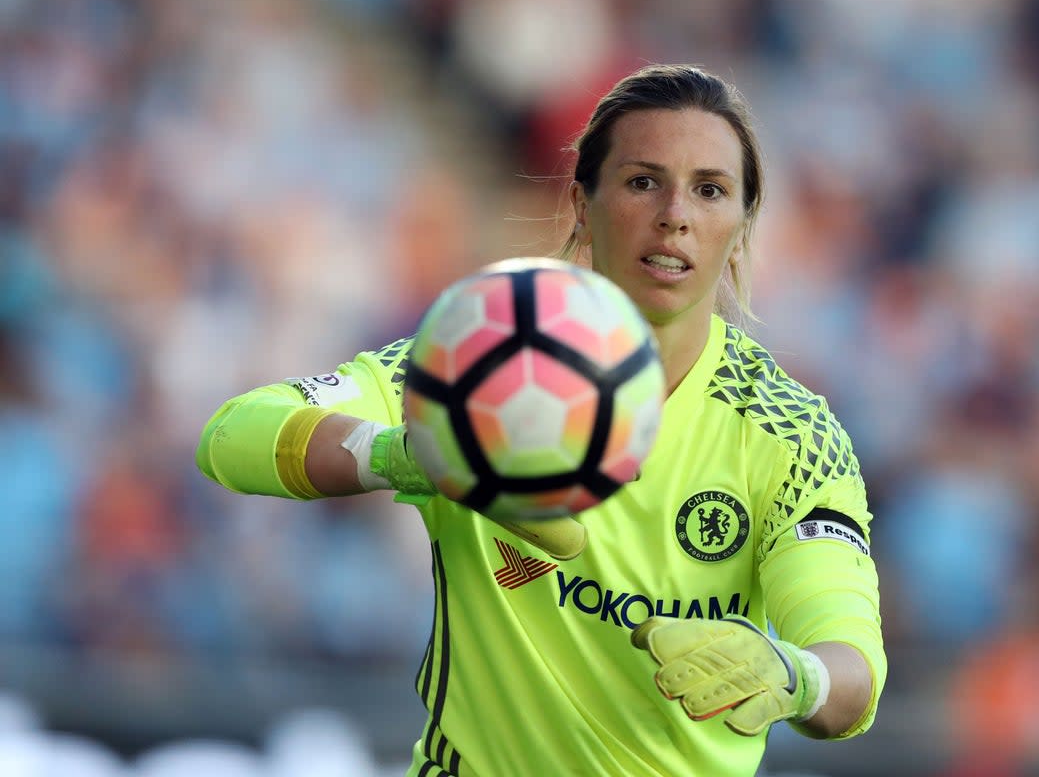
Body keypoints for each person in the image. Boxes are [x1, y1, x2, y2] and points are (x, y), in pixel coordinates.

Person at [197, 63, 886, 776]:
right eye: (643, 181)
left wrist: (793, 673)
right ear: (584, 205)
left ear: (742, 227)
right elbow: (232, 435)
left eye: (709, 190)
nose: (675, 213)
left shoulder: (789, 432)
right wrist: (411, 456)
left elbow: (853, 667)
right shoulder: (479, 358)